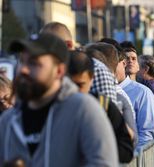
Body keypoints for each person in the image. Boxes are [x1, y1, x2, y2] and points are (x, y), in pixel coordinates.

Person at [0, 33, 118, 167]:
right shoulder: (9, 120)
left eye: (34, 63)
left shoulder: (84, 110)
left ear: (59, 71)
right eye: (22, 61)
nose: (24, 70)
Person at [68, 49, 134, 163]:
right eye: (69, 85)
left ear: (91, 80)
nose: (75, 91)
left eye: (80, 85)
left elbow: (126, 152)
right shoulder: (52, 106)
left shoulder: (104, 105)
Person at [41, 22, 117, 103]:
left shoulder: (97, 70)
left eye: (50, 48)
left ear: (69, 45)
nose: (44, 53)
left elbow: (105, 112)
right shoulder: (48, 69)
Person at [115, 47, 154, 150]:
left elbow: (147, 135)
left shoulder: (143, 92)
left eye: (134, 59)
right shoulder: (102, 90)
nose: (130, 61)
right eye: (127, 58)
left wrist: (134, 159)